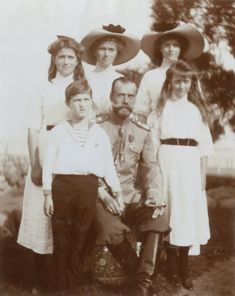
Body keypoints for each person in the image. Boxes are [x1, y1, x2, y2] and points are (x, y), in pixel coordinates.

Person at [17, 35, 85, 294]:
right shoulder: (43, 88)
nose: (66, 61)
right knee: (40, 216)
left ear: (77, 60)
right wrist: (35, 163)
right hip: (47, 149)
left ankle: (64, 280)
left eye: (70, 57)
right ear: (54, 60)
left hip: (72, 149)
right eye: (61, 57)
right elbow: (33, 128)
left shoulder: (82, 87)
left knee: (66, 217)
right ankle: (39, 281)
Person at [42, 79, 122, 294]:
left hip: (88, 187)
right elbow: (48, 164)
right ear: (68, 103)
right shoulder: (59, 131)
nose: (82, 104)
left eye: (86, 99)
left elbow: (107, 166)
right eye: (77, 100)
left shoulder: (98, 133)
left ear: (91, 102)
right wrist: (48, 194)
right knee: (62, 239)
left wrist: (117, 191)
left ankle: (73, 286)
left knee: (80, 238)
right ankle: (59, 288)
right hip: (63, 187)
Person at [93, 76, 170, 296]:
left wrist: (154, 193)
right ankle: (140, 277)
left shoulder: (142, 131)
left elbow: (150, 167)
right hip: (102, 197)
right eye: (120, 95)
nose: (126, 101)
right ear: (111, 98)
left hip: (130, 196)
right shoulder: (96, 130)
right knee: (110, 229)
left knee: (157, 216)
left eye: (130, 96)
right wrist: (104, 195)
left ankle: (141, 285)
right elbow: (87, 169)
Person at [155, 60, 214, 290]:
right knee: (170, 212)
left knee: (187, 214)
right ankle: (170, 267)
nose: (181, 86)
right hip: (167, 161)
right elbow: (152, 142)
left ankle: (184, 269)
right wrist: (156, 176)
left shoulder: (195, 110)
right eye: (177, 81)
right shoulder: (161, 108)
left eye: (186, 81)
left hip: (190, 163)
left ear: (192, 83)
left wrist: (202, 175)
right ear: (170, 82)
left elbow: (205, 145)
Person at [133, 21, 204, 148]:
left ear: (181, 48)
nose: (171, 49)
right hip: (156, 133)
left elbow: (199, 109)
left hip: (184, 134)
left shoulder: (189, 75)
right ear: (160, 48)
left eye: (175, 45)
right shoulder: (150, 76)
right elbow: (141, 112)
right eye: (167, 45)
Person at [81, 24, 140, 116]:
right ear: (95, 52)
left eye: (111, 50)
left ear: (117, 53)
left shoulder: (122, 80)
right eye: (102, 49)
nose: (106, 54)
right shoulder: (85, 79)